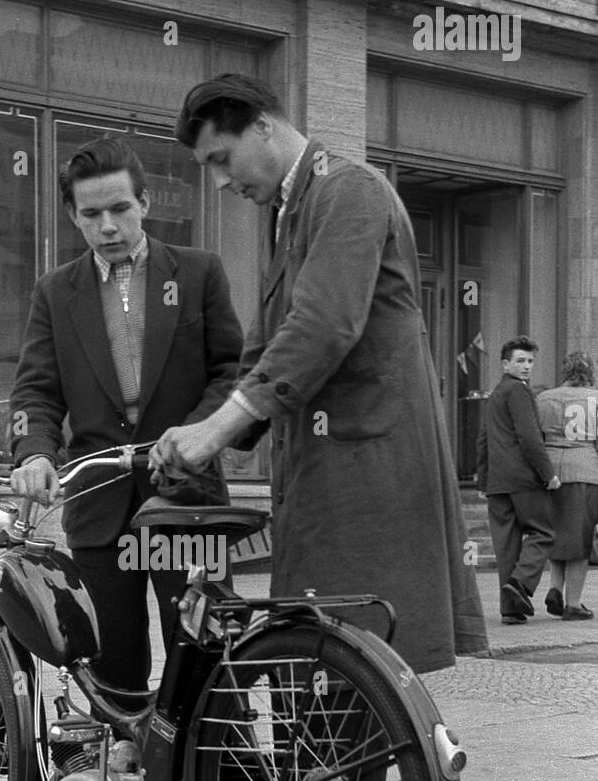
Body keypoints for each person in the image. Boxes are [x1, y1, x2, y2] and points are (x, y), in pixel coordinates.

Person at [150, 73, 487, 674]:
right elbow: (268, 344)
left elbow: (322, 326)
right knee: (318, 669)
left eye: (222, 159)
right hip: (327, 464)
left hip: (365, 470)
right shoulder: (294, 205)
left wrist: (216, 432)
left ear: (262, 125)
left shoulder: (346, 189)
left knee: (353, 668)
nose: (222, 181)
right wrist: (200, 433)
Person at [9, 137, 242, 692]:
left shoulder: (198, 273)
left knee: (208, 659)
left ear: (144, 204)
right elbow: (36, 392)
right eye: (91, 214)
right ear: (73, 215)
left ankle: (225, 776)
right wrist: (36, 452)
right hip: (99, 507)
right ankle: (124, 771)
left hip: (186, 501)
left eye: (120, 209)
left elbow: (230, 374)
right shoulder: (54, 293)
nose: (108, 225)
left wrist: (199, 435)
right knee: (112, 667)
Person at [475, 337, 560, 625]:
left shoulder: (496, 393)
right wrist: (548, 474)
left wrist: (483, 481)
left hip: (498, 482)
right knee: (544, 533)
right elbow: (529, 438)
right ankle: (521, 585)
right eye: (520, 360)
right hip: (523, 478)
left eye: (530, 361)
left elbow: (483, 440)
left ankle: (510, 609)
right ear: (505, 363)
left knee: (507, 546)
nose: (526, 367)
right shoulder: (519, 392)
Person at [536, 350, 598, 621]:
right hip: (584, 470)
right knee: (580, 540)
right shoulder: (595, 399)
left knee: (557, 535)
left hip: (550, 472)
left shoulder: (544, 398)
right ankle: (573, 603)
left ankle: (554, 588)